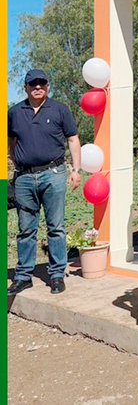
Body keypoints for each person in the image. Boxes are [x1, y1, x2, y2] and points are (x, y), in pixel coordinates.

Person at [8, 69, 82, 296]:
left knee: (56, 227)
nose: (37, 87)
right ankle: (23, 277)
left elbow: (73, 139)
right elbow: (10, 141)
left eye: (41, 83)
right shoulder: (14, 112)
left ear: (47, 86)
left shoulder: (60, 109)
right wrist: (17, 163)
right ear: (26, 87)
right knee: (26, 229)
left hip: (54, 174)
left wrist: (76, 170)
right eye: (33, 84)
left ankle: (57, 274)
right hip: (25, 178)